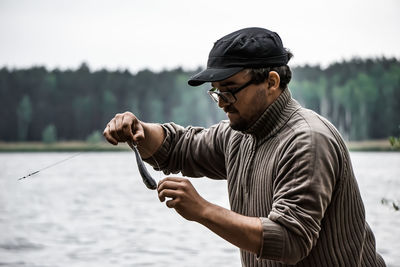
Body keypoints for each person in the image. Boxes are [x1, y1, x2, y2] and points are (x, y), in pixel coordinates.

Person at [103, 27, 385, 266]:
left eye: (230, 90)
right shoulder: (238, 134)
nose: (222, 101)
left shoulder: (308, 141)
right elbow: (180, 147)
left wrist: (202, 210)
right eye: (216, 92)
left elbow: (290, 239)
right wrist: (139, 130)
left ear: (272, 82)